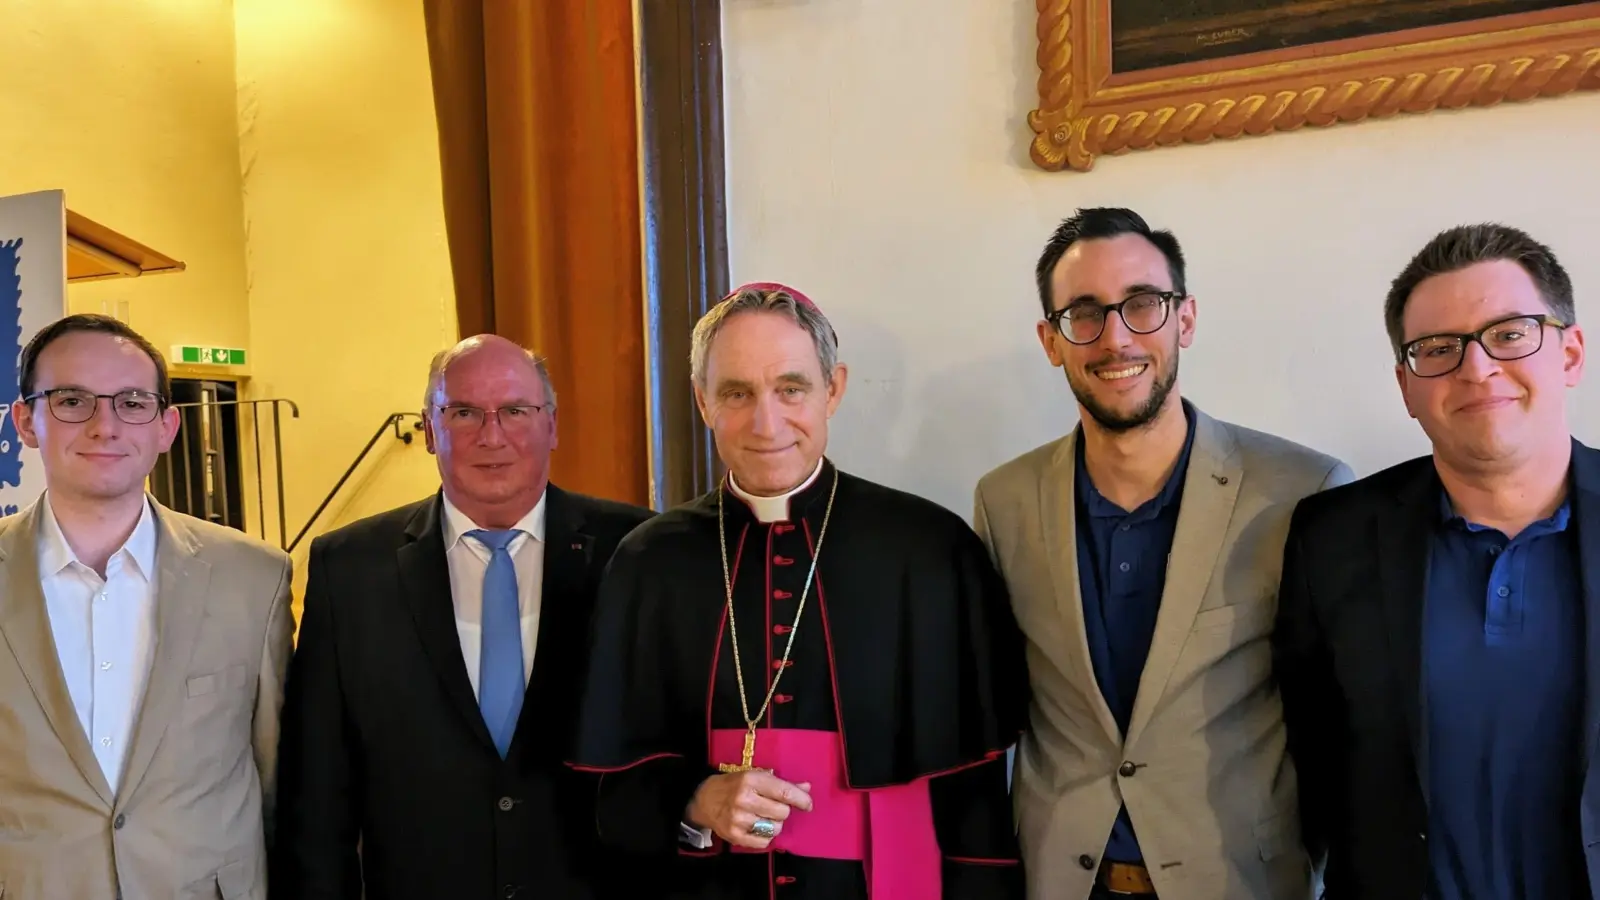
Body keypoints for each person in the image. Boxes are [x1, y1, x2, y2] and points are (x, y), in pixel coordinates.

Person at [569, 283, 1029, 899]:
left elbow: (976, 800)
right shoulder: (650, 561)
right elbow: (610, 793)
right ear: (703, 401)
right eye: (737, 393)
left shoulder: (929, 551)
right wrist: (698, 800)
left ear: (832, 390)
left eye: (791, 389)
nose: (767, 423)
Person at [974, 208, 1352, 900]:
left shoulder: (1301, 492)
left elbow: (1341, 722)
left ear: (1186, 318)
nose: (1115, 337)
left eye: (1143, 303)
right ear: (1051, 340)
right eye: (1084, 313)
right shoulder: (1004, 502)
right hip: (1061, 881)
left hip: (1240, 882)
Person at [269, 335, 654, 900]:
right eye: (464, 412)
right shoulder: (348, 568)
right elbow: (317, 787)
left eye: (515, 411)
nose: (491, 435)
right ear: (430, 429)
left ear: (551, 425)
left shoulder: (635, 550)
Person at [1274, 223, 1596, 899]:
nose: (1476, 368)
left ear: (1570, 354)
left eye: (1510, 334)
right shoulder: (1331, 538)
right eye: (1438, 349)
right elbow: (1311, 751)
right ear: (1406, 385)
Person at [0, 314, 294, 898]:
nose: (105, 425)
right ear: (26, 421)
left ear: (166, 427)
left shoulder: (254, 577)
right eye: (72, 401)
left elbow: (276, 773)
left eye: (132, 403)